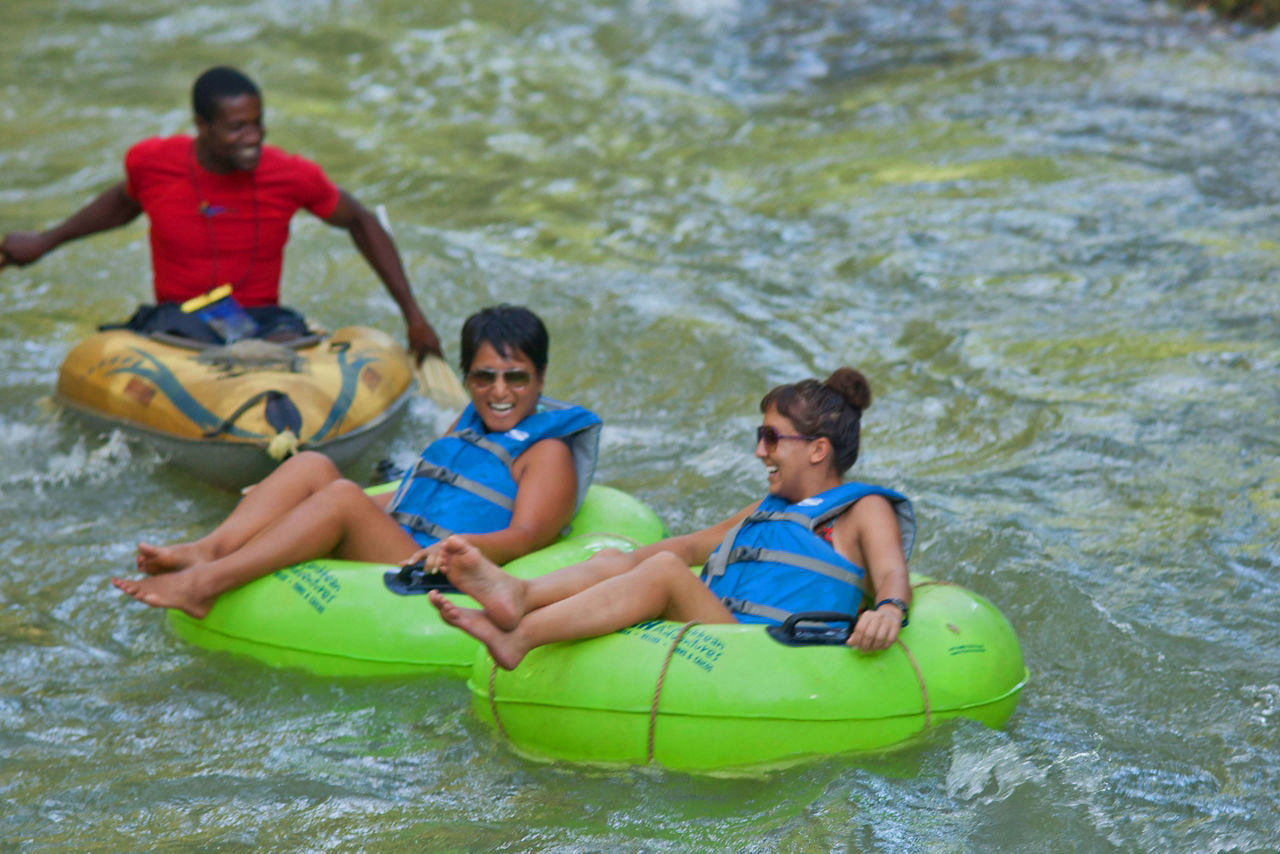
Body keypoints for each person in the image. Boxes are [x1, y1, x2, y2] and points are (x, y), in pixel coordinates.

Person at [112, 305, 600, 618]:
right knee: (312, 469)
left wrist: (461, 548)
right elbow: (423, 488)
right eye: (483, 377)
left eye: (516, 377)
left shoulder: (547, 452)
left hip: (439, 567)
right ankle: (209, 549)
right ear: (466, 378)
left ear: (541, 378)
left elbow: (528, 536)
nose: (499, 392)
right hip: (407, 538)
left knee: (343, 497)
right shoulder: (470, 422)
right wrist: (292, 502)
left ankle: (206, 585)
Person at [425, 368, 916, 668]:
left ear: (818, 450)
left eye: (771, 438)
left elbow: (892, 569)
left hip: (763, 652)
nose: (758, 451)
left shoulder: (861, 510)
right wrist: (619, 565)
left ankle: (522, 638)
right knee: (634, 559)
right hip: (722, 630)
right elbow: (689, 548)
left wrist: (889, 609)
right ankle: (521, 595)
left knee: (660, 572)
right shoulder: (767, 510)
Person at [0, 65, 441, 359]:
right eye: (237, 127)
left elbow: (361, 221)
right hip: (177, 322)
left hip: (263, 323)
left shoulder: (291, 174)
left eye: (257, 122)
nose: (253, 137)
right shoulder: (153, 162)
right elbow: (123, 202)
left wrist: (414, 319)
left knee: (286, 347)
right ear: (202, 126)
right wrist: (45, 241)